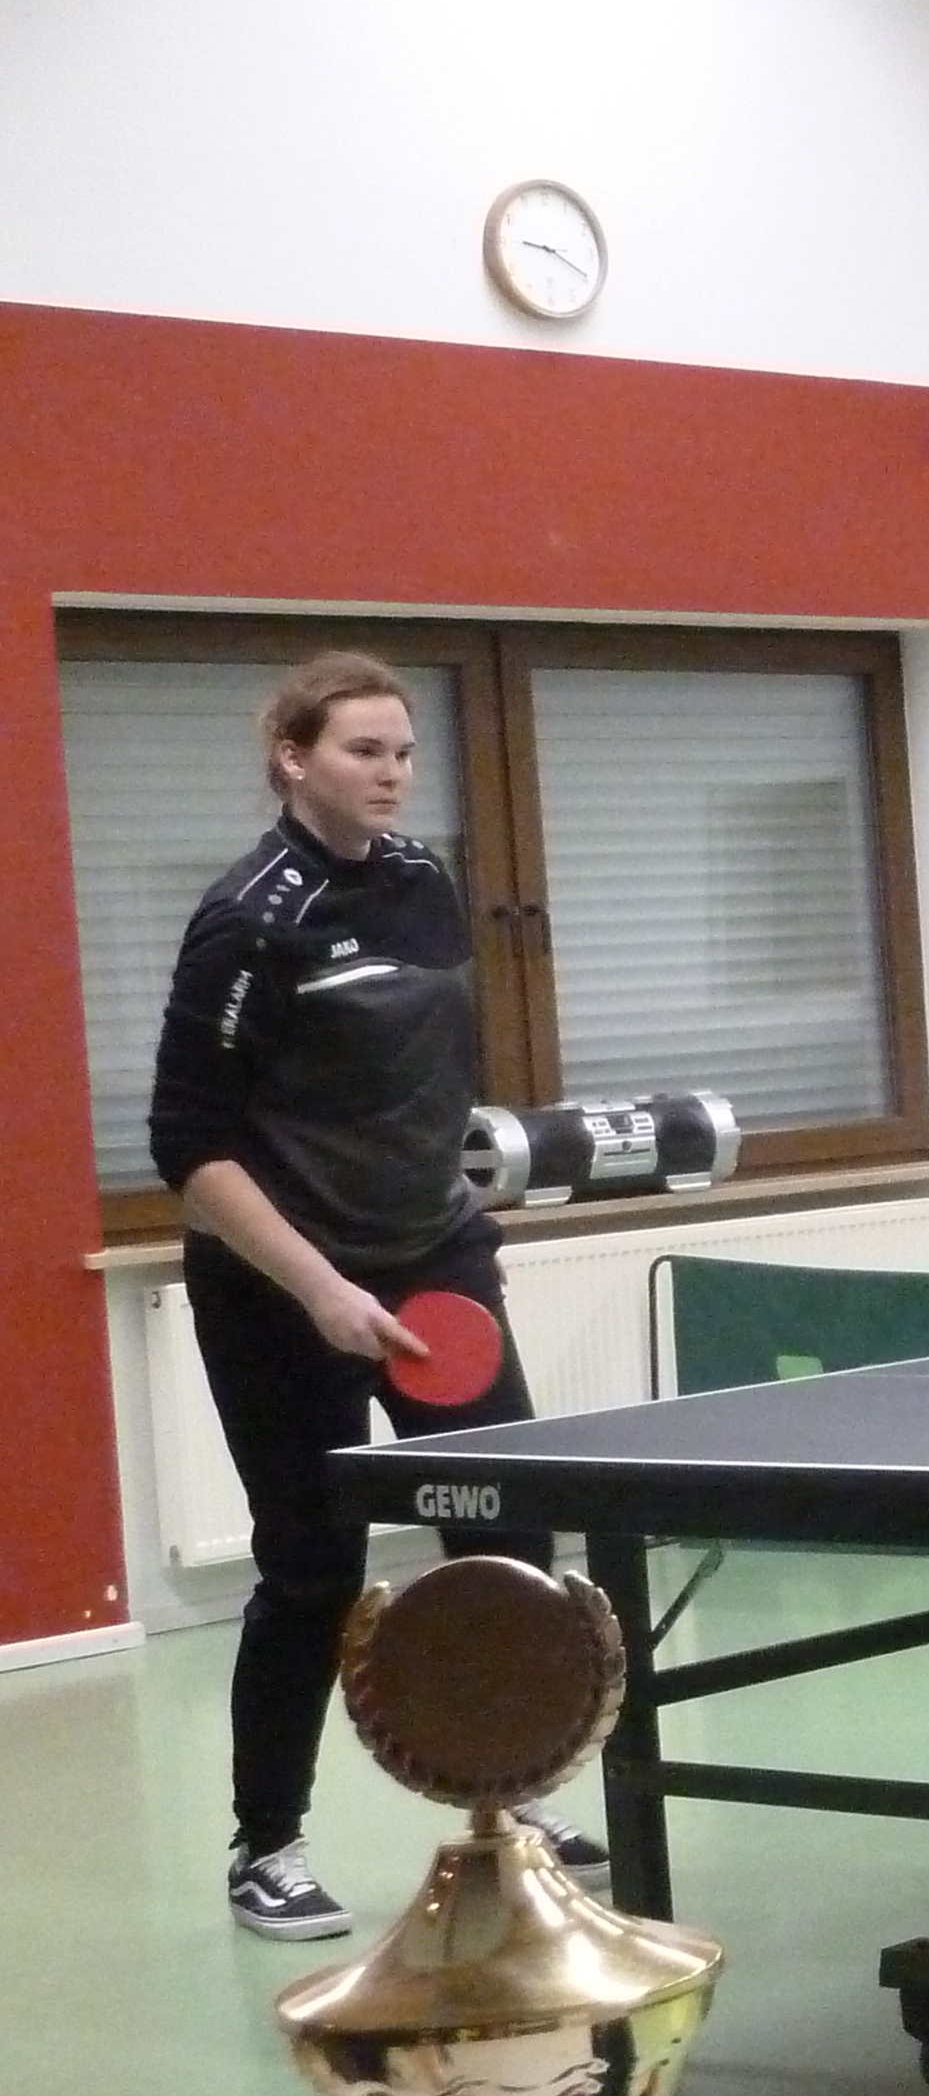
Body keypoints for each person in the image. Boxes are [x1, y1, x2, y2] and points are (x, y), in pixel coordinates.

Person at [149, 653, 602, 1940]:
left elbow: (416, 1081)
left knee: (507, 1540)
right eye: (364, 749)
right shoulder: (248, 922)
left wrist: (453, 1208)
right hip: (282, 1287)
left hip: (433, 1260)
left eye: (403, 750)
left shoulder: (423, 884)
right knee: (312, 1568)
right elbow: (190, 1149)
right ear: (293, 758)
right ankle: (267, 1846)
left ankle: (509, 1794)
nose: (393, 771)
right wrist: (321, 1289)